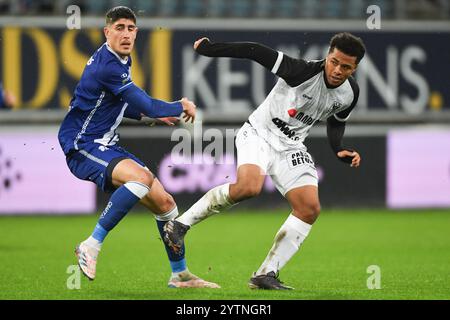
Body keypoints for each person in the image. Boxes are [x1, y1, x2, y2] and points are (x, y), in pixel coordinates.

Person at [163, 33, 365, 290]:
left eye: (346, 66)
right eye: (334, 61)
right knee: (249, 187)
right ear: (328, 55)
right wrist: (210, 49)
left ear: (355, 67)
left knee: (310, 208)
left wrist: (339, 149)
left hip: (291, 147)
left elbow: (337, 121)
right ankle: (180, 224)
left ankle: (265, 274)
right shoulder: (301, 71)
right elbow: (254, 50)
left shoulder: (350, 93)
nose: (337, 70)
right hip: (259, 133)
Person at [58, 6, 219, 289]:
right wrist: (178, 106)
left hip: (106, 144)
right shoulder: (108, 65)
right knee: (141, 179)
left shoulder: (120, 59)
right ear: (106, 32)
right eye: (119, 28)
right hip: (82, 145)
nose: (126, 34)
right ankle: (91, 245)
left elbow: (121, 104)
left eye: (131, 29)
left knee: (166, 204)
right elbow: (144, 101)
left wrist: (153, 115)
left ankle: (179, 275)